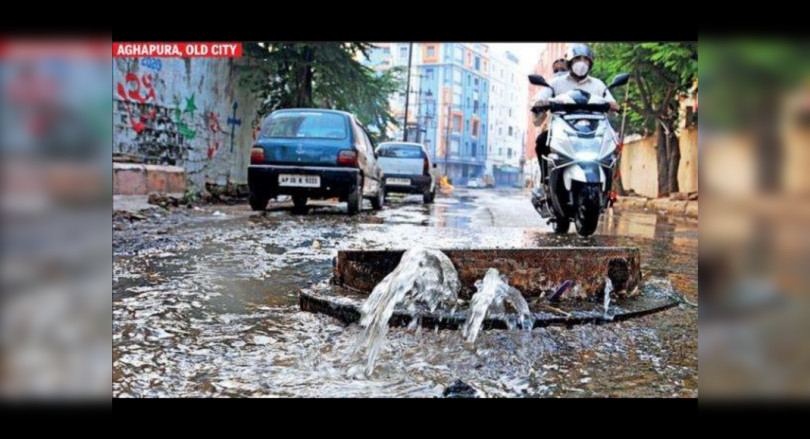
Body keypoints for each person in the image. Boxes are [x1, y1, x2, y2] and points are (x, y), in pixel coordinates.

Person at [532, 44, 620, 185]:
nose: (582, 63)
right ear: (570, 62)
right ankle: (545, 182)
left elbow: (611, 102)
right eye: (578, 58)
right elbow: (540, 97)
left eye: (585, 60)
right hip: (563, 132)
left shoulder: (598, 85)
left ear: (590, 64)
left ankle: (609, 189)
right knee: (542, 141)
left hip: (593, 133)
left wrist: (614, 106)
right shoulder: (556, 83)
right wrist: (539, 103)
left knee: (612, 148)